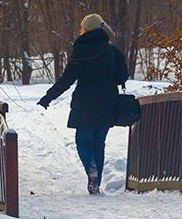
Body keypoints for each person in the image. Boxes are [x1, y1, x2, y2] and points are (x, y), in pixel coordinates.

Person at [37, 13, 129, 195]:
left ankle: (90, 169)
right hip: (108, 103)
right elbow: (122, 77)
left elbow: (67, 79)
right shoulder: (113, 51)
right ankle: (95, 184)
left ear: (85, 30)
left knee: (83, 142)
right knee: (98, 144)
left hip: (85, 103)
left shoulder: (82, 51)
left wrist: (48, 97)